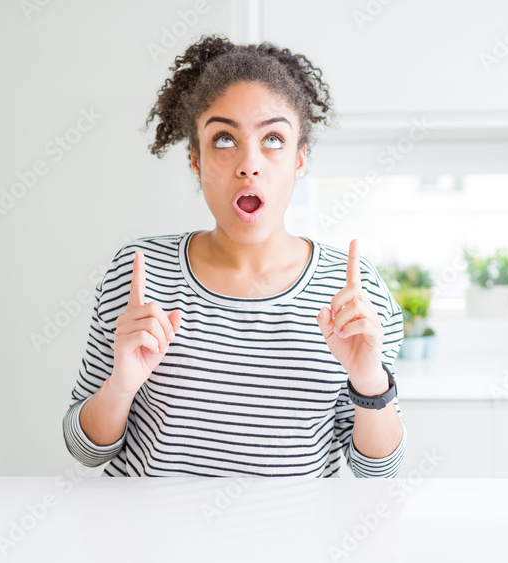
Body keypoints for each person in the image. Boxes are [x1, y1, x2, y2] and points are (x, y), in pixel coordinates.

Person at [62, 34, 407, 477]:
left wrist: (368, 379)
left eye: (274, 139)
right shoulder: (141, 276)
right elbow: (85, 450)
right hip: (150, 545)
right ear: (195, 159)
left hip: (291, 543)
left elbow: (376, 471)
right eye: (224, 140)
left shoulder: (353, 294)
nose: (249, 164)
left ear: (300, 160)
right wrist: (122, 385)